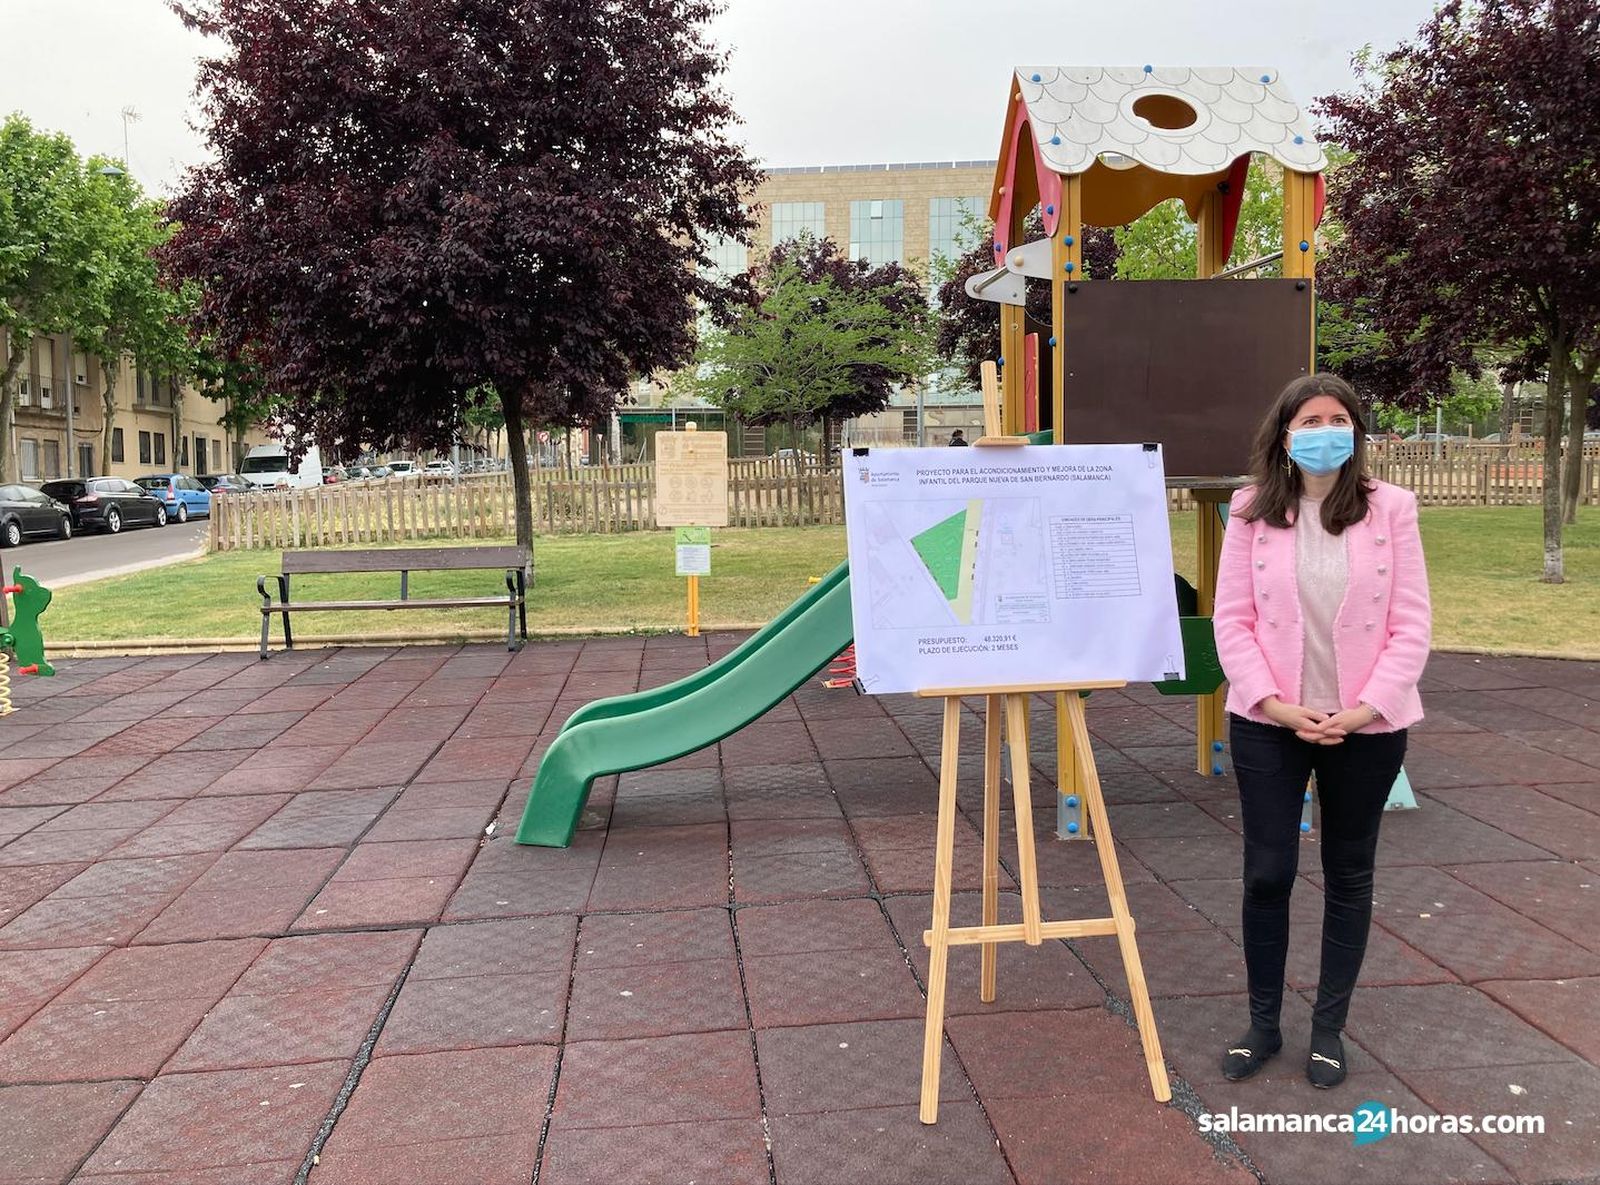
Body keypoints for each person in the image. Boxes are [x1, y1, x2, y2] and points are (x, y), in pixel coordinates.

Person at [1212, 372, 1431, 1089]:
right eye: (1310, 419)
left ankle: (1329, 1026)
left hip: (1365, 722)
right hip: (1271, 720)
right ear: (1284, 434)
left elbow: (1411, 624)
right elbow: (1233, 622)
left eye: (1340, 418)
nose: (1325, 430)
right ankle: (1263, 1022)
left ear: (1357, 434)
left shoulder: (1390, 509)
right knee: (1268, 871)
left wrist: (1366, 706)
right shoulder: (1249, 511)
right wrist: (1275, 702)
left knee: (1349, 870)